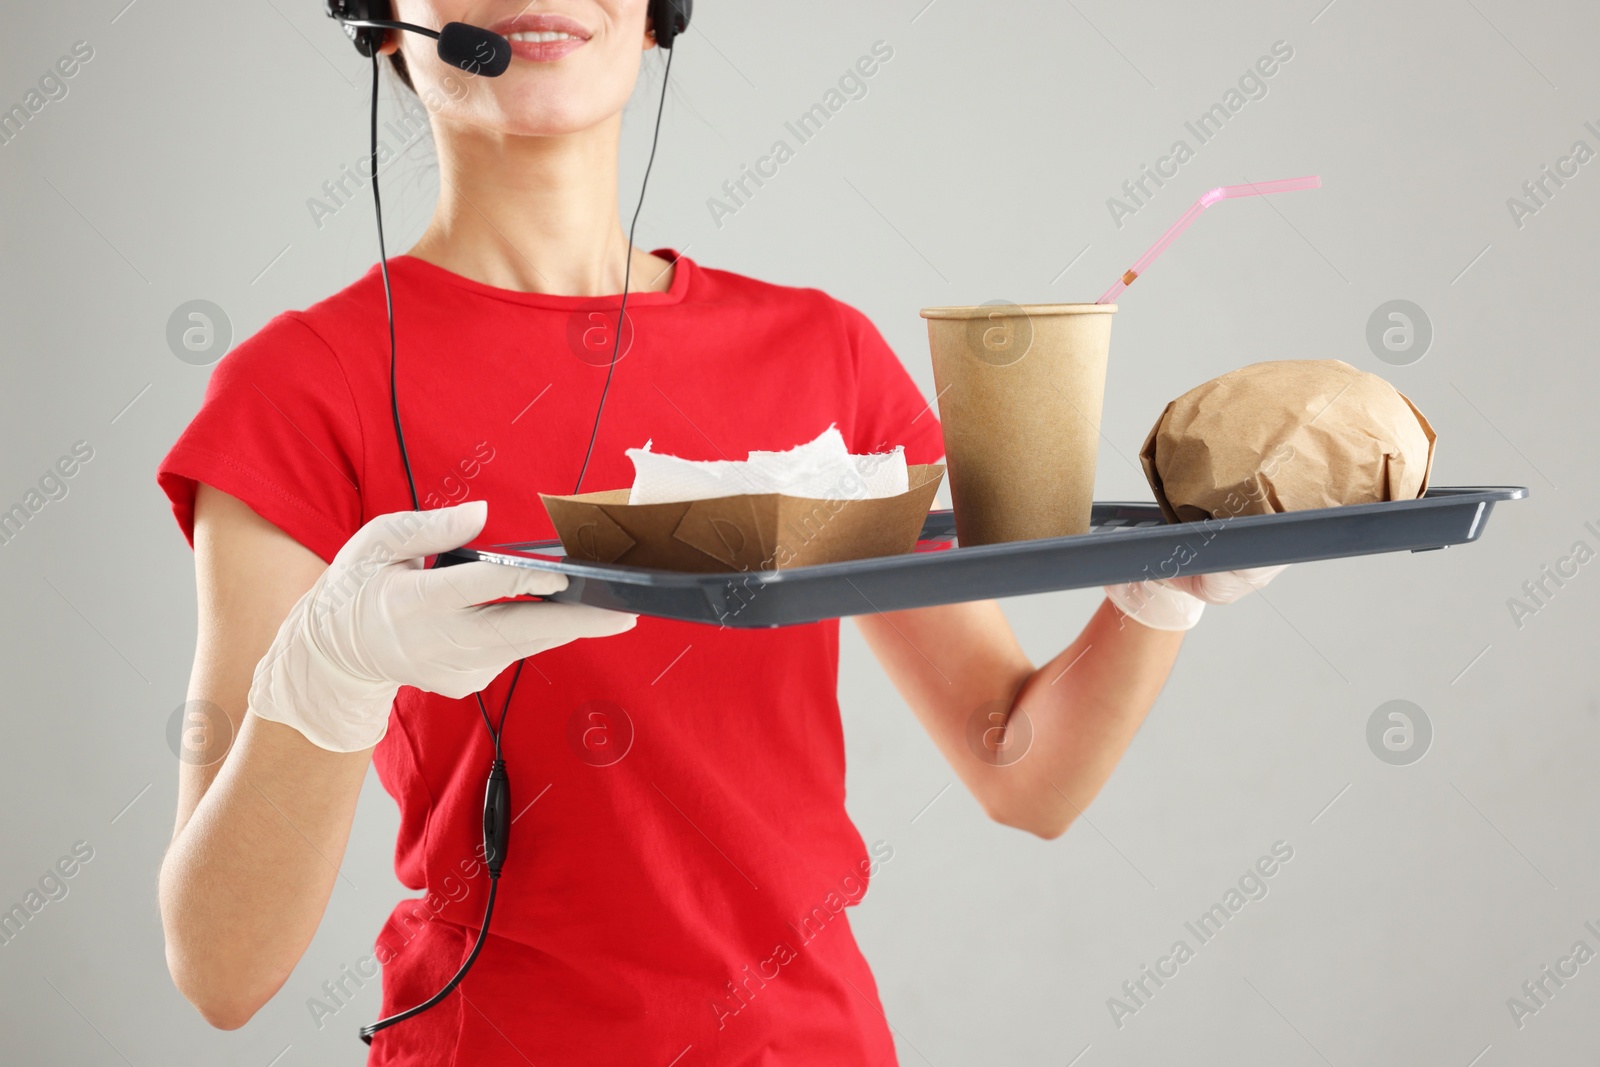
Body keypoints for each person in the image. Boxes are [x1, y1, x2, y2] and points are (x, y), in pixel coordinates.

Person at [155, 2, 1281, 1063]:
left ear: (660, 10)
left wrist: (1164, 589)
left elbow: (1019, 771)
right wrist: (329, 674)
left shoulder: (821, 356)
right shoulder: (297, 390)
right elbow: (221, 967)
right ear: (377, 16)